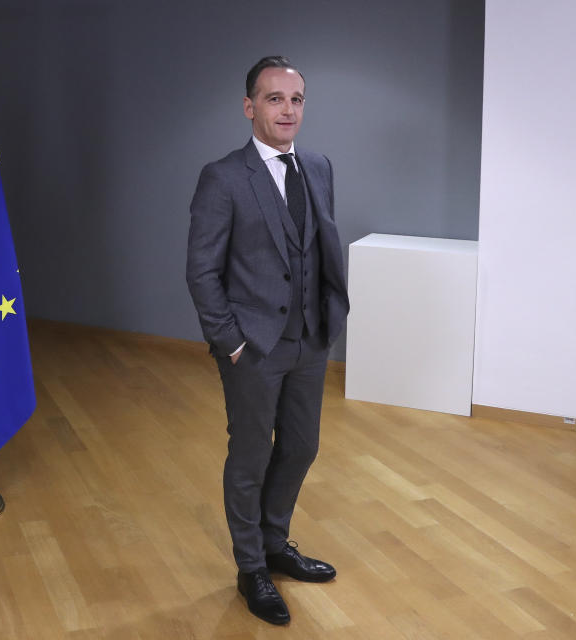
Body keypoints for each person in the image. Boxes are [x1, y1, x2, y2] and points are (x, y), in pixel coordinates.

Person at [185, 56, 350, 625]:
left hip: (310, 340)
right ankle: (251, 566)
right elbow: (202, 271)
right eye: (274, 98)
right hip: (252, 346)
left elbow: (321, 246)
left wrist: (329, 319)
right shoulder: (224, 176)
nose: (287, 109)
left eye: (296, 99)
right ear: (250, 106)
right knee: (252, 454)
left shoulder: (321, 166)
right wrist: (229, 341)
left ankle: (277, 545)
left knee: (301, 446)